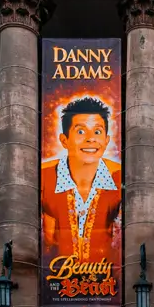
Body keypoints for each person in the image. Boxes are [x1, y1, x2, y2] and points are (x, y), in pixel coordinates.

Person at [41, 97, 122, 264]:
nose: (91, 139)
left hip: (110, 282)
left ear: (106, 140)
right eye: (80, 131)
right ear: (64, 140)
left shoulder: (121, 180)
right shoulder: (43, 178)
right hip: (55, 281)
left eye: (98, 132)